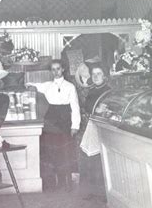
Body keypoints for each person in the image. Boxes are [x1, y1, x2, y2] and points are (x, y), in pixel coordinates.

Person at [27, 59, 80, 191]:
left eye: (58, 68)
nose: (56, 71)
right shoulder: (47, 85)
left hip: (64, 120)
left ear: (63, 69)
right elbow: (31, 84)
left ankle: (64, 182)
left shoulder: (70, 86)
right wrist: (29, 86)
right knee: (51, 151)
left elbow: (75, 107)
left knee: (64, 152)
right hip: (51, 119)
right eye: (53, 69)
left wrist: (75, 125)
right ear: (51, 71)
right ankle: (52, 182)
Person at [79, 61, 111, 197]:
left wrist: (102, 110)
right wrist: (93, 111)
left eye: (99, 74)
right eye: (94, 74)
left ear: (104, 76)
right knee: (89, 158)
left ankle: (104, 193)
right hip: (91, 126)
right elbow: (86, 108)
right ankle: (91, 191)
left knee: (101, 159)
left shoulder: (109, 91)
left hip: (104, 127)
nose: (96, 76)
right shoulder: (91, 91)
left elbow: (111, 108)